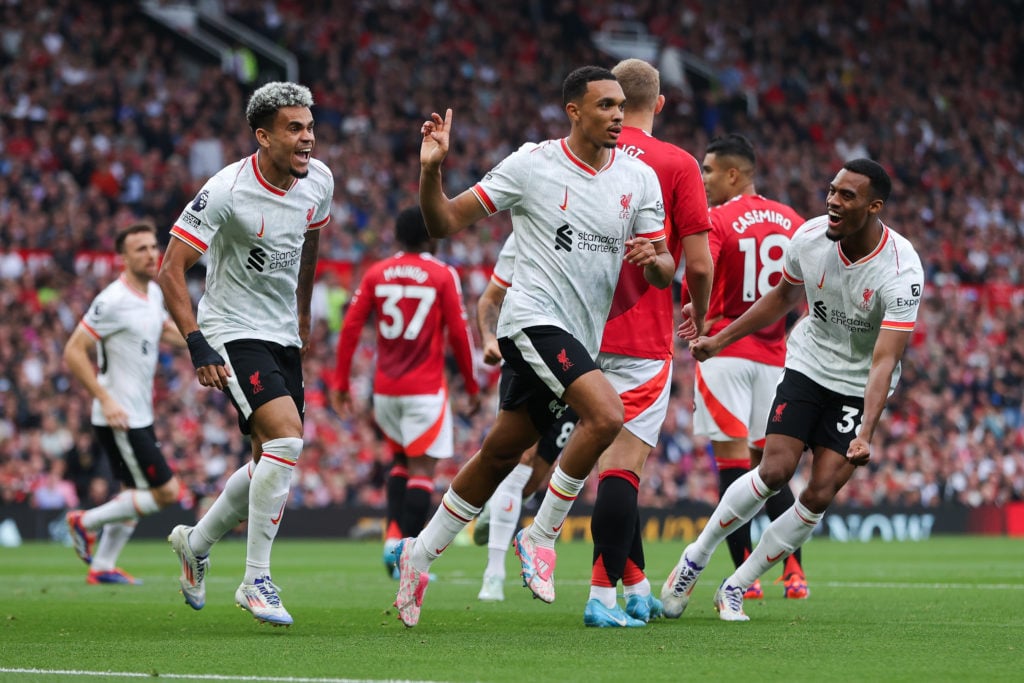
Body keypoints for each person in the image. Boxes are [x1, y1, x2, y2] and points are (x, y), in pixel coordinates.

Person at [392, 65, 675, 627]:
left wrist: (657, 263)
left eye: (622, 105)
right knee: (607, 413)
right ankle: (540, 535)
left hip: (578, 336)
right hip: (531, 323)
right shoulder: (532, 165)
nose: (618, 115)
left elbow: (665, 269)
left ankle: (417, 556)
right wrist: (432, 171)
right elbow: (444, 221)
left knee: (501, 453)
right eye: (605, 106)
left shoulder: (637, 179)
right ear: (573, 111)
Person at [661, 158, 923, 622]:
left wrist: (866, 431)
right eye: (832, 190)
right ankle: (695, 558)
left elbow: (885, 359)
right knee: (775, 469)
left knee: (819, 493)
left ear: (875, 206)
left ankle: (736, 586)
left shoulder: (901, 269)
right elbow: (783, 298)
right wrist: (721, 338)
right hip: (808, 363)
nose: (832, 202)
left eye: (847, 196)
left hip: (858, 383)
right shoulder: (808, 236)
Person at [157, 81, 334, 626]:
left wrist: (303, 314)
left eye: (309, 127)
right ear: (263, 136)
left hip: (281, 333)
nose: (308, 138)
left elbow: (311, 244)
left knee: (268, 460)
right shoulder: (227, 189)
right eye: (294, 129)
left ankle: (196, 541)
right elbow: (170, 270)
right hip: (231, 329)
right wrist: (197, 342)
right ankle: (256, 579)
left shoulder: (319, 181)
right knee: (285, 437)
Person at [578, 58, 715, 628]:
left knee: (609, 467)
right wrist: (700, 319)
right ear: (659, 104)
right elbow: (701, 265)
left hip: (579, 333)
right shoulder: (677, 163)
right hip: (641, 335)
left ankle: (635, 586)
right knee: (622, 471)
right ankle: (600, 597)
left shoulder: (588, 153)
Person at [329, 206, 480, 579]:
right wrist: (471, 384)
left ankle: (391, 543)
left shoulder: (377, 273)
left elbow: (350, 328)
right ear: (431, 235)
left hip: (386, 390)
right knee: (423, 470)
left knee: (399, 462)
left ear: (396, 236)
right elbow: (459, 335)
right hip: (424, 388)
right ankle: (407, 557)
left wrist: (341, 382)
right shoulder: (442, 275)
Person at [689, 134, 808, 601]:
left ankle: (745, 576)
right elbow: (804, 291)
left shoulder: (716, 219)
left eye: (709, 171)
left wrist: (697, 320)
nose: (703, 180)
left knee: (735, 466)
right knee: (771, 470)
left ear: (733, 174)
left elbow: (702, 272)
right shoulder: (794, 222)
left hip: (724, 353)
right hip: (775, 360)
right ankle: (794, 572)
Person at [63, 223, 186, 585]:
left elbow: (164, 330)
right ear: (123, 258)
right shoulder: (112, 300)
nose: (151, 254)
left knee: (133, 494)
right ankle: (83, 522)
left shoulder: (153, 294)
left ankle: (102, 566)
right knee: (166, 492)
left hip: (138, 414)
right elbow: (73, 351)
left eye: (153, 247)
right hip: (119, 416)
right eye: (141, 249)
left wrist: (202, 343)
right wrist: (105, 398)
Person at [473, 233, 578, 603]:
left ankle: (493, 508)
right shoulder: (525, 235)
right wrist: (488, 338)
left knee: (533, 480)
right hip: (531, 352)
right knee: (521, 462)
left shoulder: (595, 221)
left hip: (579, 362)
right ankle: (493, 574)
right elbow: (490, 297)